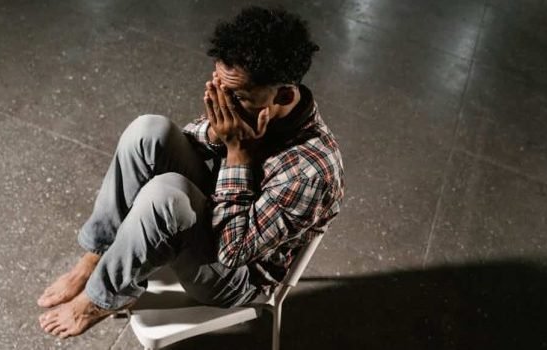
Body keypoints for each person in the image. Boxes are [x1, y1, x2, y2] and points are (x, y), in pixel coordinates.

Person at [36, 6, 344, 339]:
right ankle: (95, 257)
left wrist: (238, 153)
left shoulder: (311, 171)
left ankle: (101, 299)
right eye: (219, 87)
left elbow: (233, 252)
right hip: (218, 213)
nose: (222, 102)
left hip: (237, 274)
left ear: (283, 95)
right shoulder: (250, 104)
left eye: (235, 96)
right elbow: (190, 139)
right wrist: (217, 135)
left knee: (166, 196)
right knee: (149, 132)